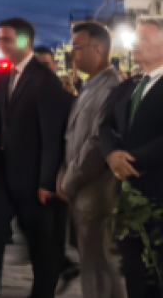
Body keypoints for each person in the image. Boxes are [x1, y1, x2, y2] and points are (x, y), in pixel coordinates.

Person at [0, 17, 72, 298]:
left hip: (34, 180)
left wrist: (47, 182)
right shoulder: (4, 74)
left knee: (42, 246)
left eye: (5, 40)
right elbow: (2, 122)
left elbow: (52, 135)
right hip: (4, 174)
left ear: (24, 41)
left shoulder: (45, 81)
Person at [57, 21, 125, 298]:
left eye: (76, 47)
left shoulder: (111, 87)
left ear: (97, 49)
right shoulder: (88, 85)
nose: (71, 53)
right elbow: (72, 137)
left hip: (97, 194)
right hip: (83, 193)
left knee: (99, 268)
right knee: (95, 267)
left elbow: (97, 143)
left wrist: (68, 181)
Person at [101, 19, 163, 298]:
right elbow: (105, 125)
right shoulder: (129, 86)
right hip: (127, 199)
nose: (135, 45)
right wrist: (111, 153)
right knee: (133, 267)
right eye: (136, 39)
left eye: (145, 40)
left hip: (158, 193)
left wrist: (130, 160)